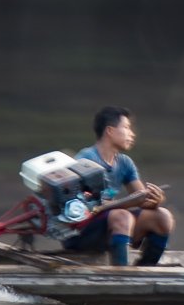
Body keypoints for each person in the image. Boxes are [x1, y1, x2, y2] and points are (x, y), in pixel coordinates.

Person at [63, 106, 175, 266]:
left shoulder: (125, 163)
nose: (132, 134)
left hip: (110, 228)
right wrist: (131, 202)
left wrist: (155, 200)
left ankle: (146, 269)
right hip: (81, 233)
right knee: (122, 216)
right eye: (127, 128)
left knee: (162, 216)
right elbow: (85, 206)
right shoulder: (86, 159)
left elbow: (141, 198)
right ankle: (121, 274)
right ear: (110, 131)